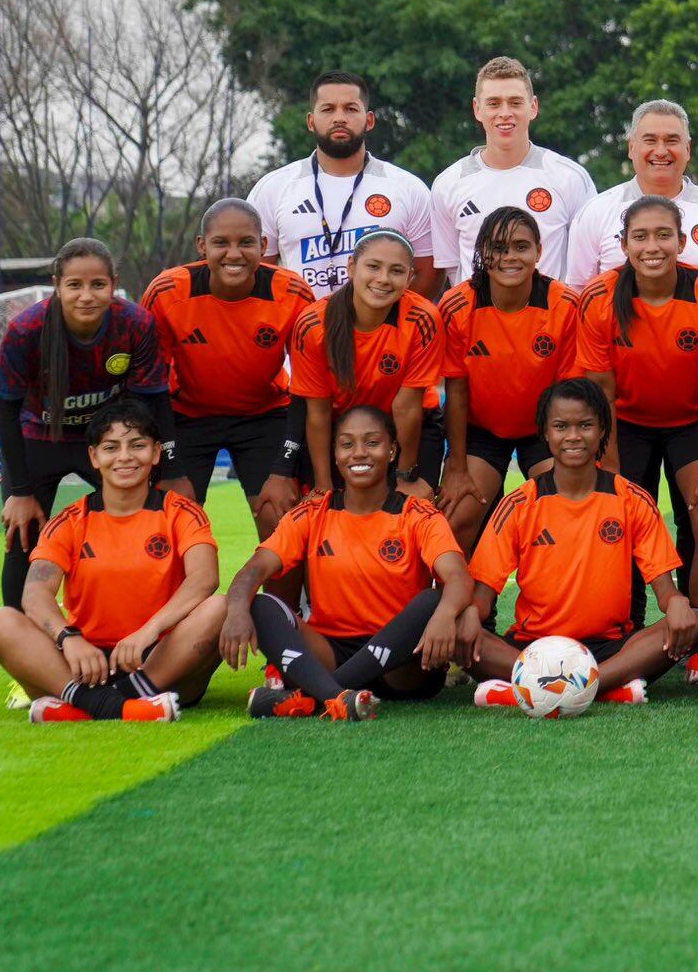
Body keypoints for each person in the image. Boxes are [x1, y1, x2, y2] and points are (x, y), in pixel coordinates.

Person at [219, 404, 476, 720]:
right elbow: (254, 569)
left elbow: (459, 577)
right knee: (262, 605)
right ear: (335, 454)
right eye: (347, 444)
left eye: (372, 442)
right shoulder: (312, 514)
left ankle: (315, 697)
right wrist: (235, 611)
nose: (359, 453)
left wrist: (446, 613)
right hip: (329, 652)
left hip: (402, 667)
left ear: (392, 451)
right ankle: (339, 697)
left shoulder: (417, 515)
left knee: (432, 601)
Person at [0, 399, 222, 722]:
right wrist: (69, 639)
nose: (124, 457)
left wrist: (148, 632)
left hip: (158, 659)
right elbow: (34, 594)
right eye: (111, 447)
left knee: (220, 608)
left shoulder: (181, 511)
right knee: (0, 622)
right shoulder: (69, 520)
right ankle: (115, 706)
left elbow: (204, 578)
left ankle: (94, 704)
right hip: (86, 661)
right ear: (94, 457)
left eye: (137, 445)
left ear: (155, 453)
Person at [468, 378, 698, 707]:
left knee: (690, 625)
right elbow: (482, 596)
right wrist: (465, 619)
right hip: (534, 647)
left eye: (585, 425)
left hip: (610, 647)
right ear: (545, 433)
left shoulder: (631, 499)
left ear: (603, 429)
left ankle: (534, 690)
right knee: (457, 634)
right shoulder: (521, 504)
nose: (574, 436)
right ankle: (603, 689)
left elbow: (665, 591)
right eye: (561, 426)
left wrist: (678, 603)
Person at [575, 194, 698, 620]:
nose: (653, 246)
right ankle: (622, 624)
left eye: (663, 235)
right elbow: (601, 391)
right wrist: (610, 470)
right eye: (641, 236)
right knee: (615, 519)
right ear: (624, 244)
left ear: (682, 242)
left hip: (692, 422)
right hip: (625, 425)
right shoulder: (599, 296)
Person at [0, 239, 172, 624]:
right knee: (22, 540)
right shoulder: (27, 329)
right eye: (74, 285)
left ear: (113, 283)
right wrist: (20, 491)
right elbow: (5, 409)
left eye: (97, 284)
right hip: (38, 440)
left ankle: (139, 637)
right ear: (57, 284)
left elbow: (151, 402)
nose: (86, 296)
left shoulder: (135, 323)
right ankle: (27, 661)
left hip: (106, 443)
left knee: (137, 530)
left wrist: (164, 466)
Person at [143, 198, 312, 537]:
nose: (234, 254)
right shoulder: (166, 292)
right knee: (169, 522)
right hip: (187, 416)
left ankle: (276, 594)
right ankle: (186, 593)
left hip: (264, 414)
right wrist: (172, 465)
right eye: (221, 243)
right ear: (202, 246)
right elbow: (150, 385)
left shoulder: (292, 292)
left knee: (279, 518)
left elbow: (309, 386)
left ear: (263, 246)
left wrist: (282, 468)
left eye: (246, 242)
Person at [436, 206, 583, 547]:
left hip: (544, 430)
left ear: (538, 252)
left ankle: (551, 599)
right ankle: (469, 602)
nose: (510, 257)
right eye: (498, 247)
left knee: (564, 517)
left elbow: (569, 395)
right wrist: (456, 468)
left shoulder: (565, 305)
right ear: (482, 252)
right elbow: (455, 392)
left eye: (521, 246)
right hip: (481, 430)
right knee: (457, 517)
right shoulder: (457, 305)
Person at [246, 70, 437, 299]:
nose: (339, 117)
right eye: (328, 109)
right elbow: (258, 272)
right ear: (310, 121)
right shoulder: (274, 188)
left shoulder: (407, 188)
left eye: (350, 108)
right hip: (299, 330)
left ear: (369, 121)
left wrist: (389, 322)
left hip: (378, 333)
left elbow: (429, 272)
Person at [287, 229, 442, 506]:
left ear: (409, 279)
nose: (383, 279)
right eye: (373, 266)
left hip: (409, 428)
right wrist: (324, 486)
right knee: (332, 515)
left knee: (411, 513)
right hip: (340, 430)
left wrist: (405, 476)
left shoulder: (423, 318)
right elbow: (318, 411)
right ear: (351, 268)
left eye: (396, 271)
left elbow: (407, 407)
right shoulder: (312, 324)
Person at [431, 56, 596, 284]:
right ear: (477, 109)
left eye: (515, 102)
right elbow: (451, 269)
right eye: (494, 103)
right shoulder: (448, 183)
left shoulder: (570, 177)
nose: (505, 112)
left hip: (549, 317)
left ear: (533, 107)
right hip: (477, 318)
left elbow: (587, 266)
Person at [564, 98, 698, 290]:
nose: (661, 151)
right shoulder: (595, 212)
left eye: (671, 140)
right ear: (631, 147)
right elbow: (579, 294)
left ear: (688, 149)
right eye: (650, 140)